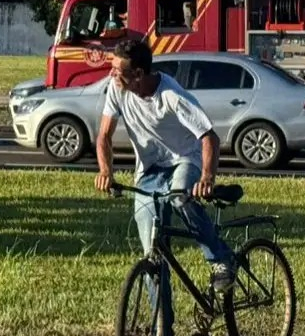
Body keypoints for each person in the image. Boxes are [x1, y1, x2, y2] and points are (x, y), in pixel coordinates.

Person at [95, 38, 236, 293]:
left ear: (138, 74)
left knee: (179, 197)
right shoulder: (117, 89)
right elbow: (104, 135)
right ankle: (161, 320)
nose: (112, 75)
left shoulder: (171, 96)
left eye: (118, 70)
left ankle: (220, 259)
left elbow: (209, 137)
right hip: (149, 170)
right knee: (152, 256)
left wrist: (207, 177)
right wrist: (106, 171)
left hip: (184, 159)